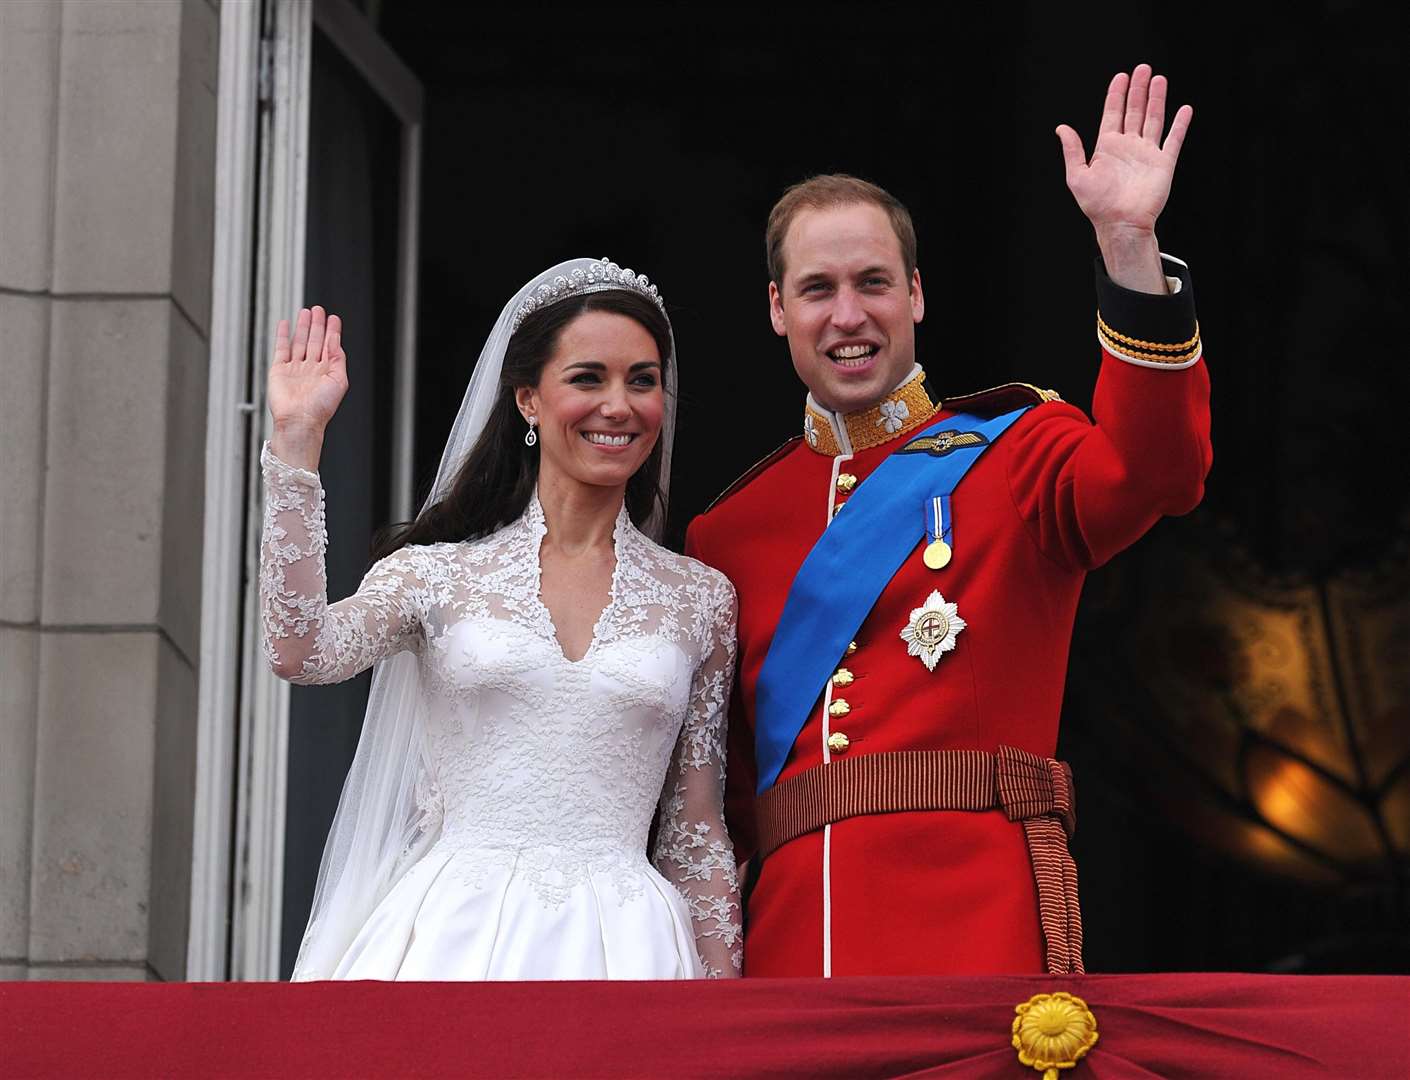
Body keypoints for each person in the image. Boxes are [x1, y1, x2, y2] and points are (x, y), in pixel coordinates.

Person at [685, 65, 1211, 976]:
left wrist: (1128, 246)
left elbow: (1158, 472)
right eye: (817, 289)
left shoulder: (1018, 452)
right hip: (790, 945)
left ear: (917, 295)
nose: (848, 315)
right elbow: (719, 798)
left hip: (971, 928)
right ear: (778, 311)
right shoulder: (726, 531)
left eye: (873, 283)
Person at [260, 258, 741, 980]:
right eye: (588, 378)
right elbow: (301, 650)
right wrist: (297, 442)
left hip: (631, 950)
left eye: (641, 380)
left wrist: (724, 1010)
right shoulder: (437, 572)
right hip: (454, 938)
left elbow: (694, 826)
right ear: (527, 400)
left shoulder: (701, 599)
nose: (620, 404)